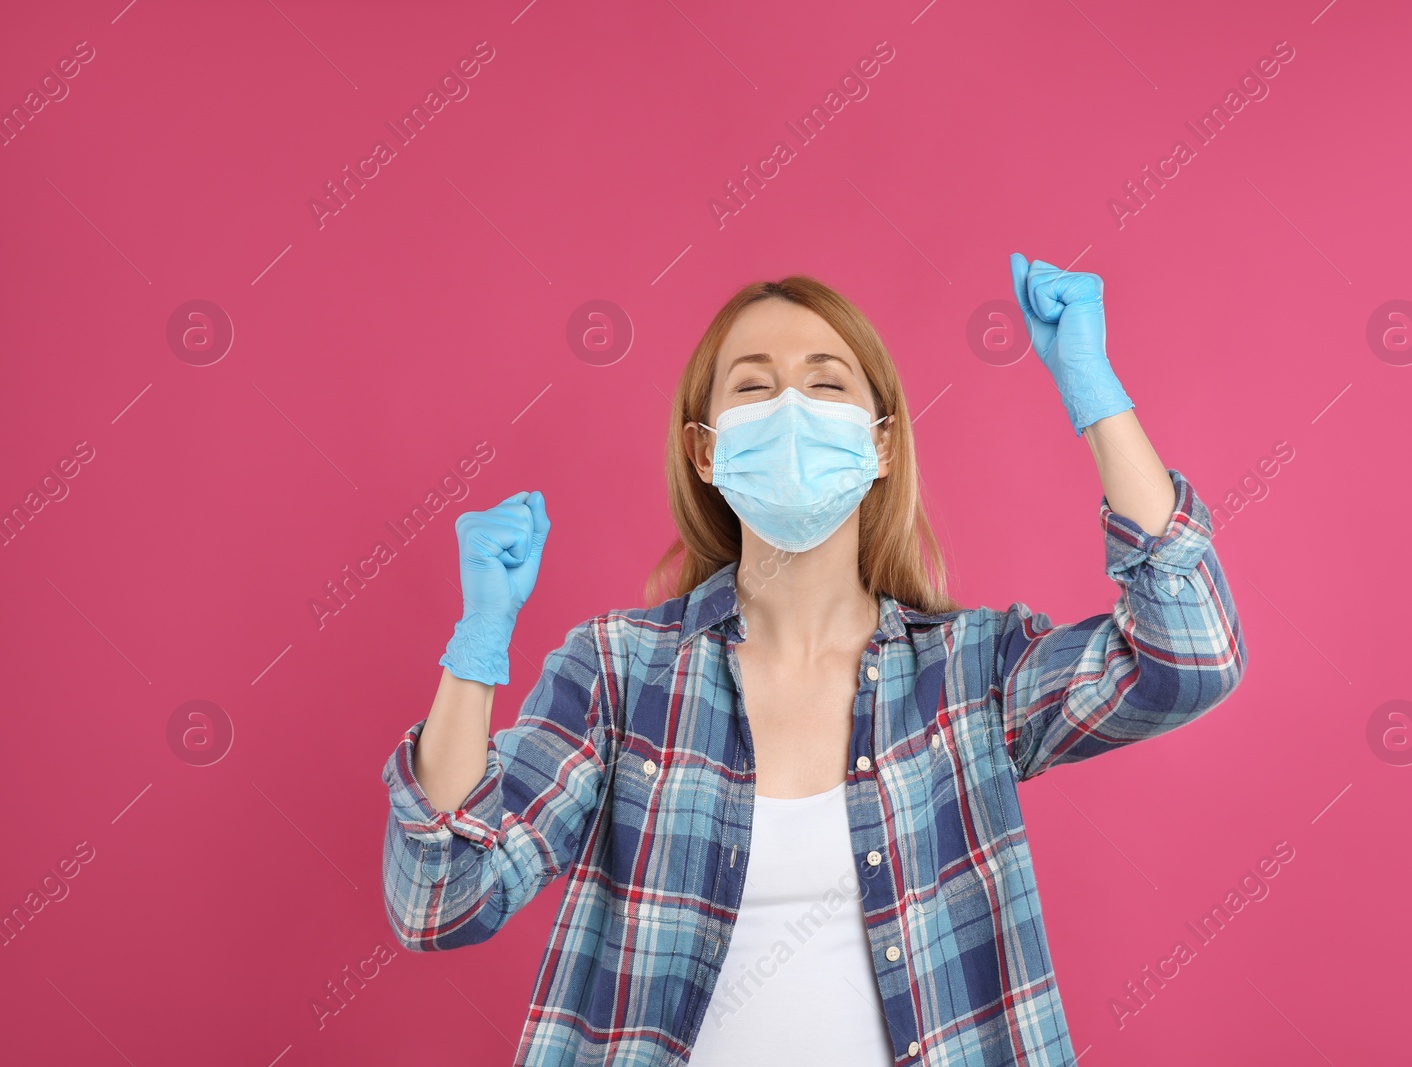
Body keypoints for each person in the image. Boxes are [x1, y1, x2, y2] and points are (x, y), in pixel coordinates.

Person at [379, 254, 1248, 1066]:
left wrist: (1096, 397)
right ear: (705, 448)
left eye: (825, 383)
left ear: (879, 442)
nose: (790, 408)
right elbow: (440, 900)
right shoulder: (619, 671)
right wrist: (476, 647)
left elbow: (1189, 656)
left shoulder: (970, 673)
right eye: (754, 387)